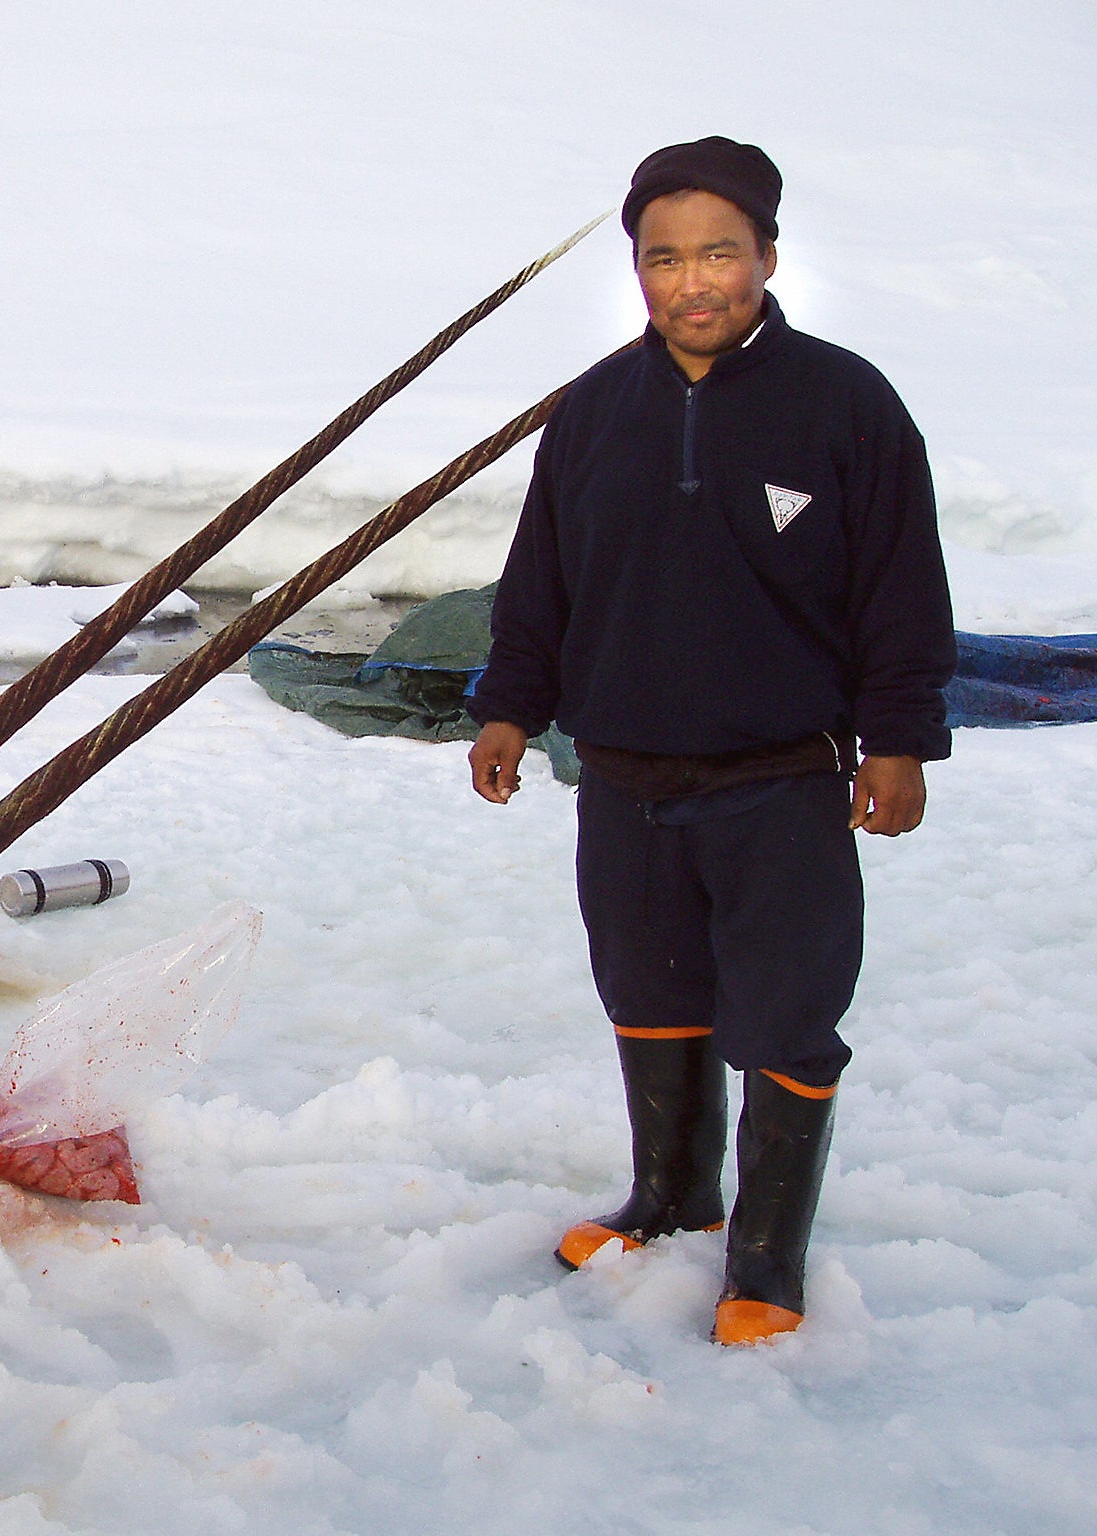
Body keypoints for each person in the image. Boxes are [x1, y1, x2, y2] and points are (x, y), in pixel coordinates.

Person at [465, 137, 956, 1345]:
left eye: (720, 252)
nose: (694, 281)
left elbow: (900, 590)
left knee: (787, 1014)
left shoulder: (844, 404)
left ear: (768, 257)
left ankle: (765, 1260)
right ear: (636, 271)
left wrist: (897, 740)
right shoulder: (590, 412)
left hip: (776, 780)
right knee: (646, 990)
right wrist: (508, 703)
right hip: (621, 780)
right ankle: (670, 1197)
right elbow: (541, 582)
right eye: (664, 256)